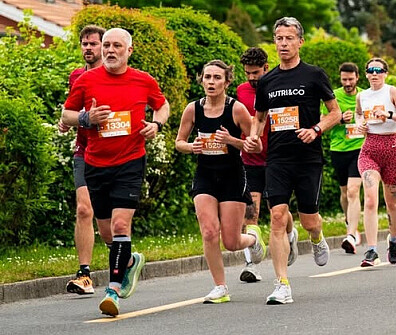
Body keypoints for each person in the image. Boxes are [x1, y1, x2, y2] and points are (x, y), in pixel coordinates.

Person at [62, 28, 171, 317]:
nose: (110, 50)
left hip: (130, 161)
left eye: (117, 46)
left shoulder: (143, 80)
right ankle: (130, 261)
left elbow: (162, 105)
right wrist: (86, 117)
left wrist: (156, 124)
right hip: (96, 163)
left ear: (129, 51)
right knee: (107, 232)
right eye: (107, 45)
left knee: (122, 225)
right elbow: (66, 115)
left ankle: (112, 291)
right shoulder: (86, 80)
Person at [244, 17, 342, 304]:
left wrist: (316, 130)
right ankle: (282, 284)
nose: (283, 44)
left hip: (308, 159)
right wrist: (254, 137)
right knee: (277, 216)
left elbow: (335, 113)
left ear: (300, 41)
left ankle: (316, 237)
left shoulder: (314, 75)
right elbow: (259, 117)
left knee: (309, 220)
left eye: (289, 38)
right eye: (279, 38)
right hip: (277, 158)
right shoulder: (268, 80)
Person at [175, 60, 265, 303]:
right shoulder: (193, 109)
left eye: (217, 78)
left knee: (232, 242)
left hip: (232, 176)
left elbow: (256, 146)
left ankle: (253, 239)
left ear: (227, 82)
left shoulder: (236, 110)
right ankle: (220, 287)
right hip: (205, 175)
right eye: (207, 77)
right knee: (209, 231)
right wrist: (191, 147)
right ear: (201, 80)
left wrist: (231, 141)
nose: (211, 82)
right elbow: (179, 142)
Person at [237, 46, 298, 283]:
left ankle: (290, 235)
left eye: (256, 73)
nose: (251, 78)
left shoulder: (278, 86)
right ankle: (251, 264)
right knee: (250, 213)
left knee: (278, 212)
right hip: (250, 159)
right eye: (247, 73)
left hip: (276, 159)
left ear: (266, 67)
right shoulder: (241, 90)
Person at [59, 24, 104, 296]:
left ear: (103, 47)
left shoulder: (114, 76)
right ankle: (84, 274)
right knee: (84, 209)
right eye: (85, 44)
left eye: (93, 43)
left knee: (110, 218)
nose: (88, 48)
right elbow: (71, 110)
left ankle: (126, 259)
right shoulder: (76, 76)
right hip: (84, 151)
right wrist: (68, 121)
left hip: (113, 154)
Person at [355, 57, 396, 267]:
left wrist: (388, 114)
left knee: (392, 201)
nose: (374, 74)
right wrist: (360, 125)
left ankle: (393, 239)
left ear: (385, 73)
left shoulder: (392, 92)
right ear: (366, 74)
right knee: (370, 199)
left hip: (392, 148)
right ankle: (371, 250)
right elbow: (358, 115)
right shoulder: (362, 95)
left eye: (378, 70)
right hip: (370, 149)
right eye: (371, 70)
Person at [326, 62, 365, 255]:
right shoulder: (333, 97)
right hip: (339, 149)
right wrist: (340, 119)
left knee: (353, 190)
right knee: (344, 192)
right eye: (344, 80)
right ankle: (350, 220)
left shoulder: (365, 96)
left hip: (360, 148)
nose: (348, 83)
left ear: (357, 77)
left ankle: (351, 235)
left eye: (351, 79)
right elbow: (323, 122)